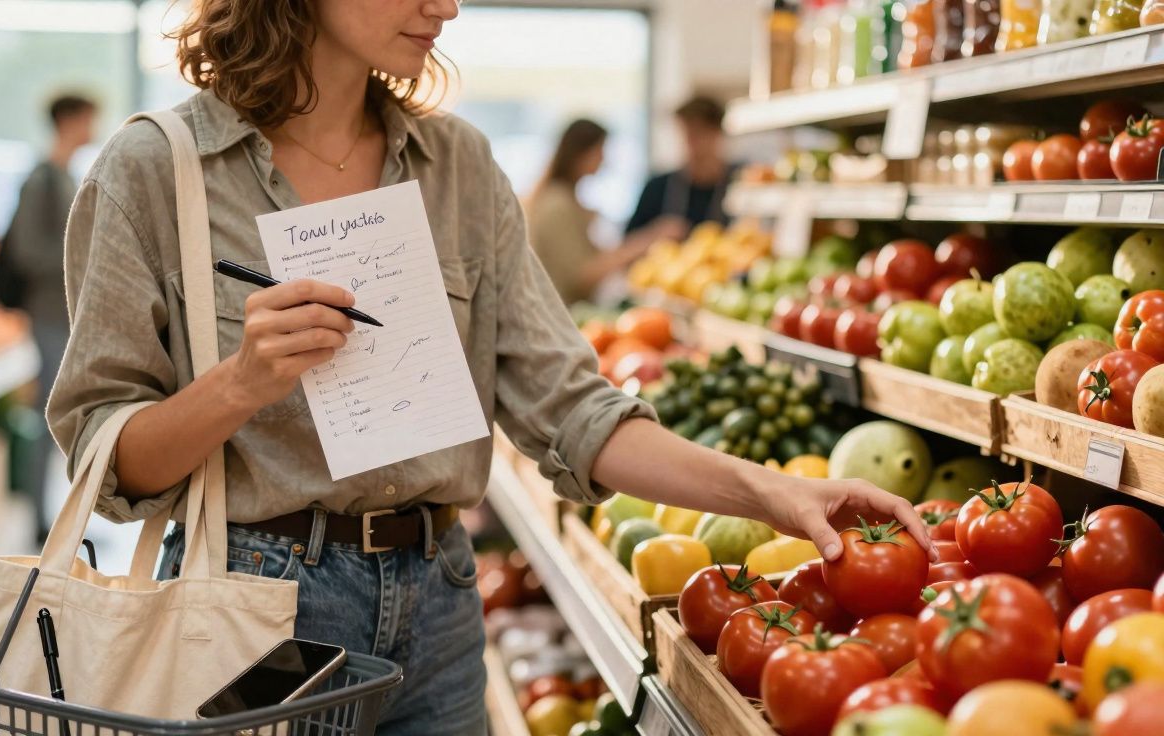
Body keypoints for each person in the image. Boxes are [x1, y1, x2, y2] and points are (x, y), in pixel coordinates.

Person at [48, 2, 934, 733]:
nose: (446, 7)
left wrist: (772, 492)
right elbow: (106, 461)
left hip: (437, 602)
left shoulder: (459, 168)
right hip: (254, 613)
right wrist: (239, 384)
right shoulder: (157, 173)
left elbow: (573, 410)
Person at [6, 93, 97, 541]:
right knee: (52, 415)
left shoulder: (63, 175)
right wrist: (80, 259)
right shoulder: (42, 177)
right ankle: (41, 521)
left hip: (63, 316)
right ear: (69, 119)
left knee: (65, 415)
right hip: (48, 315)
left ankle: (60, 519)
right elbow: (26, 250)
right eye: (87, 118)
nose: (93, 126)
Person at [526, 119, 678, 305]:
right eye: (600, 151)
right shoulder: (557, 205)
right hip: (563, 315)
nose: (604, 159)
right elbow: (580, 277)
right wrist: (649, 239)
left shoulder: (565, 201)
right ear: (581, 153)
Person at [626, 95, 734, 236]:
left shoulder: (739, 183)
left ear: (717, 133)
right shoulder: (658, 188)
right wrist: (654, 234)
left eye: (698, 134)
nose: (690, 143)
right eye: (685, 134)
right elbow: (622, 250)